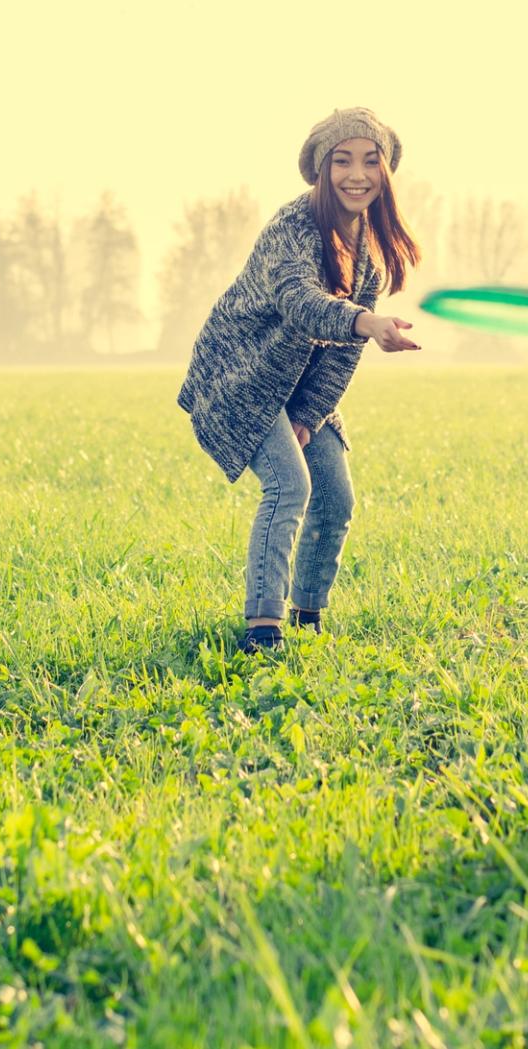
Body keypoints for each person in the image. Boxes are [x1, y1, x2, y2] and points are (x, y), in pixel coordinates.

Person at [176, 107, 423, 651]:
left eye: (369, 161)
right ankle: (263, 629)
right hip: (240, 379)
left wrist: (309, 415)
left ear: (385, 172)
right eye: (342, 161)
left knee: (335, 497)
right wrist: (366, 322)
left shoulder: (368, 262)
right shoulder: (292, 227)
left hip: (296, 388)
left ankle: (308, 615)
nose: (357, 175)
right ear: (320, 168)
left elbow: (339, 359)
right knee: (290, 486)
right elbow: (299, 302)